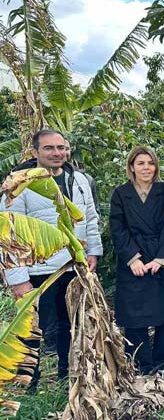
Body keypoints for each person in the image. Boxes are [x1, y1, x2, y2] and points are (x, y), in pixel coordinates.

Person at [0, 129, 103, 385]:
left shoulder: (79, 180)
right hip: (37, 269)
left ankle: (66, 375)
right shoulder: (19, 183)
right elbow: (9, 234)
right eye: (49, 148)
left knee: (70, 325)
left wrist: (93, 252)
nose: (57, 153)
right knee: (34, 329)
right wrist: (17, 280)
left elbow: (90, 218)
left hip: (72, 267)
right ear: (35, 152)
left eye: (61, 148)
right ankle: (30, 383)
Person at [109, 146, 164, 374]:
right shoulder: (121, 193)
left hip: (161, 256)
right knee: (134, 313)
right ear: (131, 167)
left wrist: (162, 258)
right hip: (134, 258)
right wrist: (132, 258)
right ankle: (140, 361)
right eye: (141, 163)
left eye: (150, 163)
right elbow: (117, 228)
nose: (146, 167)